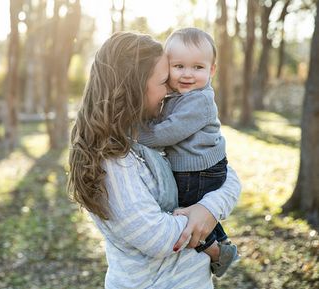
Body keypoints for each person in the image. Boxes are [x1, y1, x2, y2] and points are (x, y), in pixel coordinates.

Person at [68, 31, 241, 288]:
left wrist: (208, 208)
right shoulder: (113, 157)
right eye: (164, 81)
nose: (172, 86)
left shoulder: (150, 127)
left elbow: (227, 176)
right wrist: (204, 214)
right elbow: (159, 239)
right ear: (135, 87)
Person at [138, 27, 238, 277]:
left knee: (182, 212)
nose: (187, 75)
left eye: (197, 68)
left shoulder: (199, 101)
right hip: (197, 168)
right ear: (166, 67)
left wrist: (137, 134)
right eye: (179, 66)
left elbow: (167, 133)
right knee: (194, 208)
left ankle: (216, 251)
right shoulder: (180, 95)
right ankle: (223, 244)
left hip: (199, 171)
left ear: (212, 70)